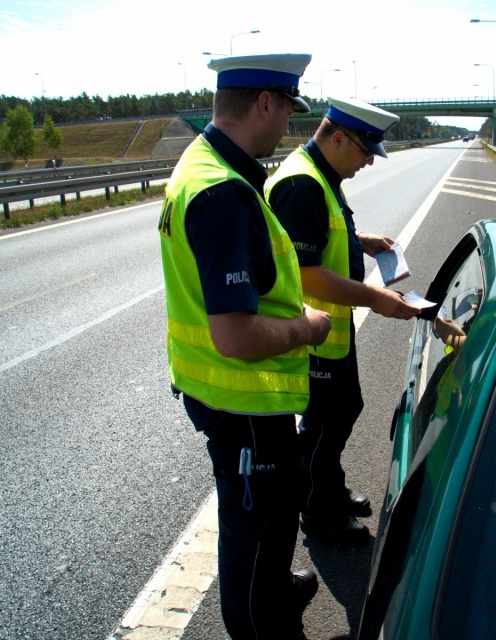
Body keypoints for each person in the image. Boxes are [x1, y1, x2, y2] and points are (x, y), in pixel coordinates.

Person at [157, 53, 331, 640]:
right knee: (253, 540)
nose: (288, 123)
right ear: (264, 103)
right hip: (244, 405)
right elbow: (234, 334)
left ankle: (277, 595)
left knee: (271, 518)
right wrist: (307, 328)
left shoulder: (203, 166)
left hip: (230, 397)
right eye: (287, 108)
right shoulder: (223, 193)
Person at [266, 97, 420, 546]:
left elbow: (318, 234)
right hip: (313, 332)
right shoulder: (303, 185)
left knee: (342, 410)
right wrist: (375, 297)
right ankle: (317, 511)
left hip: (331, 330)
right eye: (365, 151)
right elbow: (306, 272)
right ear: (338, 138)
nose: (369, 161)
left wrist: (361, 240)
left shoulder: (321, 175)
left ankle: (326, 488)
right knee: (322, 423)